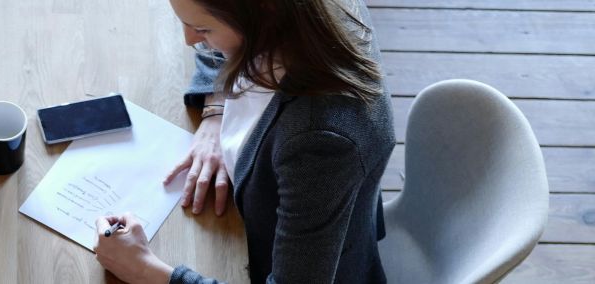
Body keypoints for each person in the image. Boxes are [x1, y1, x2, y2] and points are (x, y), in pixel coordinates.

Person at [94, 0, 394, 282]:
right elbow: (218, 38)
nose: (189, 40)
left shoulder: (320, 142)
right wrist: (216, 109)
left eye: (203, 30)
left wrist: (147, 271)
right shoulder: (300, 19)